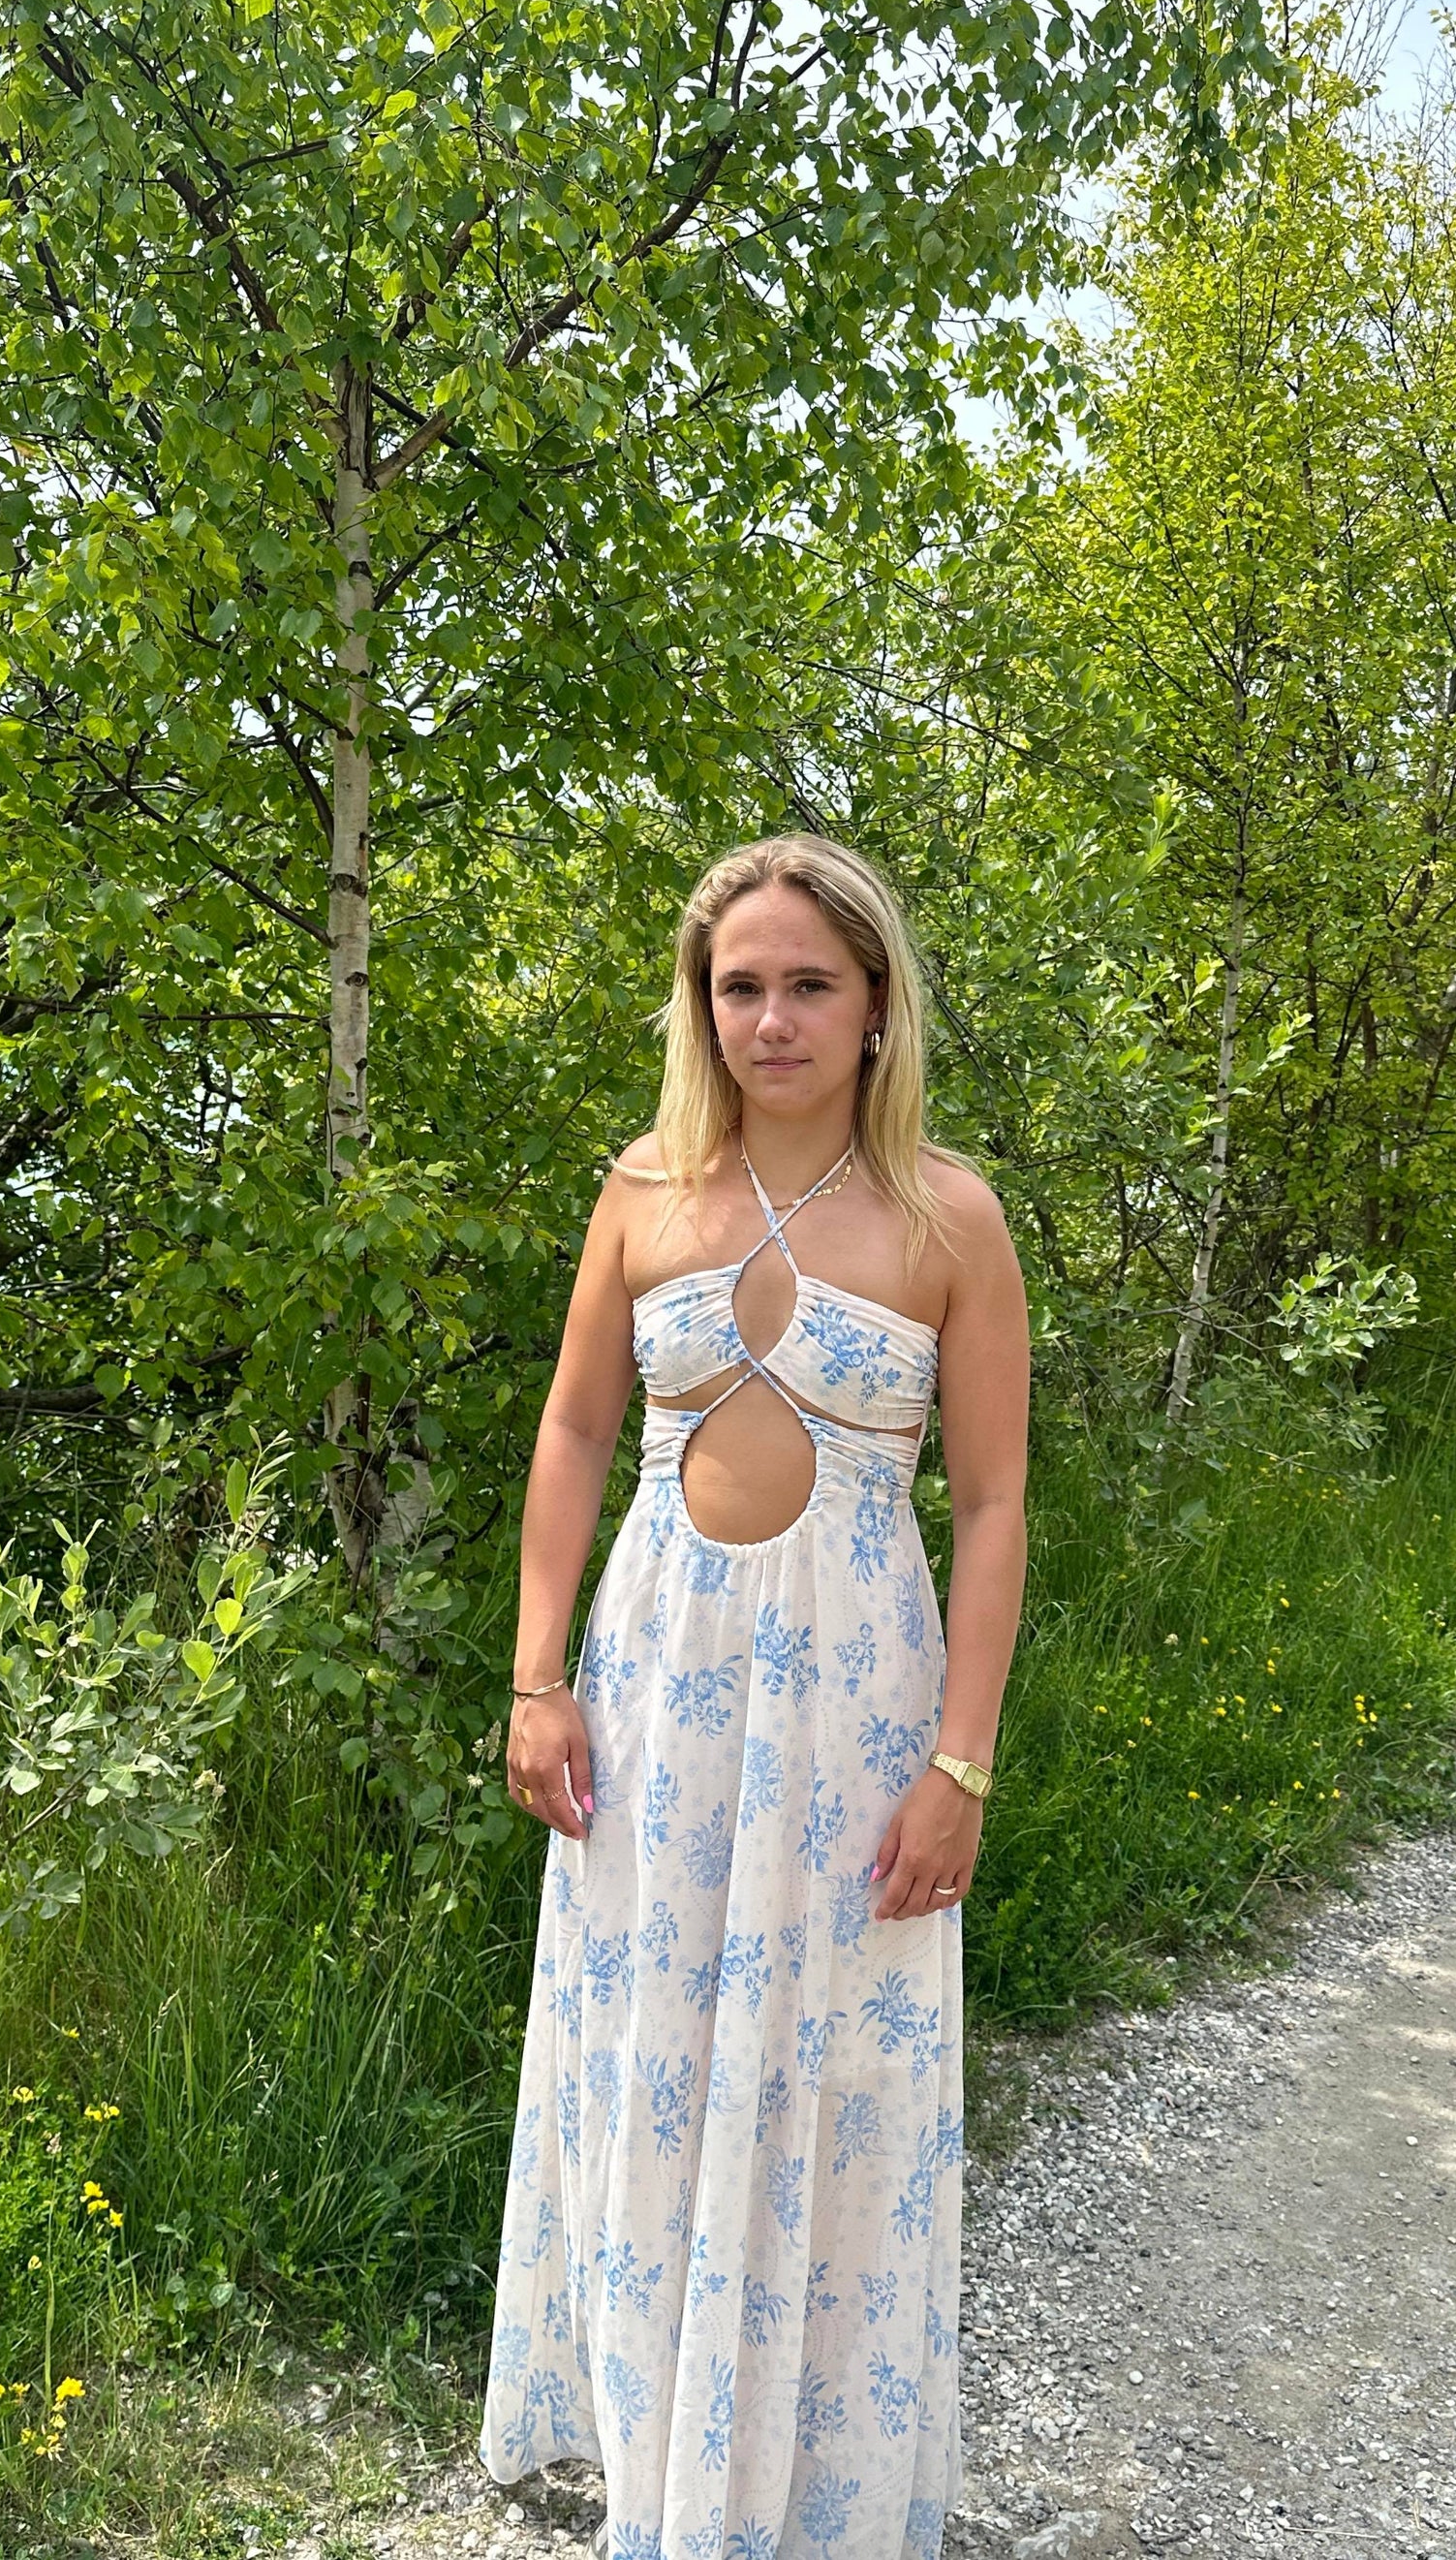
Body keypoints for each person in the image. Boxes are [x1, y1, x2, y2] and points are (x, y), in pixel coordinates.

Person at [480, 834, 1031, 2558]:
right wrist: (537, 1677)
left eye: (809, 984)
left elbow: (995, 1505)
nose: (772, 1019)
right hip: (655, 1697)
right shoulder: (646, 1192)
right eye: (740, 987)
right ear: (700, 1007)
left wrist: (960, 1765)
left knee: (829, 2072)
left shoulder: (947, 1217)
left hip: (857, 1712)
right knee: (646, 2054)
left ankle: (807, 2494)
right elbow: (576, 1428)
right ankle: (662, 2470)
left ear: (876, 1007)